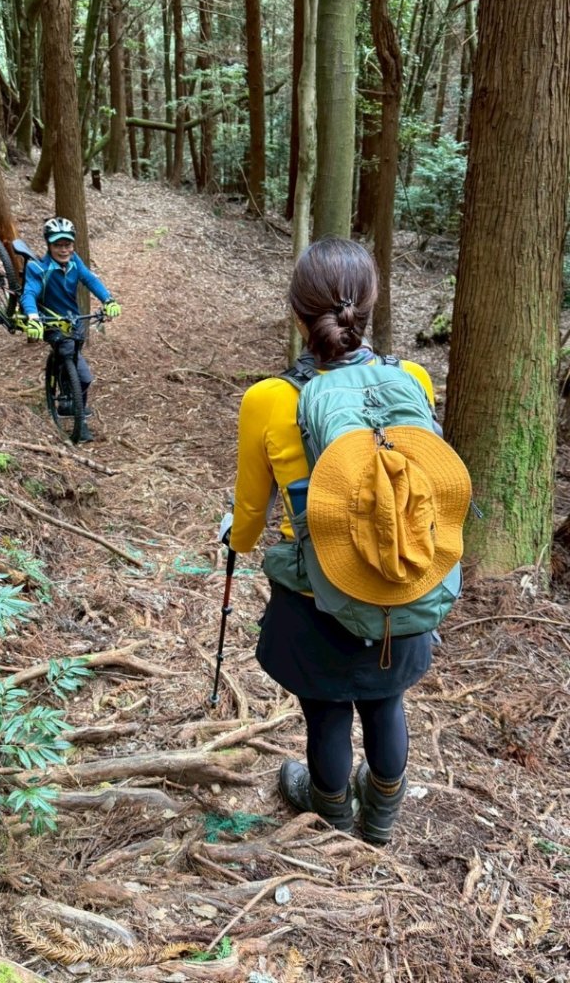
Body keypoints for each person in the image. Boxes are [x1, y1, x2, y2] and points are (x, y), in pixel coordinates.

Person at [227, 236, 438, 845]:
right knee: (385, 700)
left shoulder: (270, 400)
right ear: (367, 308)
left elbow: (247, 519)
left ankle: (331, 813)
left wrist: (236, 541)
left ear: (298, 312)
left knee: (326, 711)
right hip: (400, 584)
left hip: (313, 592)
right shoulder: (413, 380)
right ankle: (381, 821)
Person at [20, 217, 121, 442]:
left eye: (67, 244)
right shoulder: (39, 268)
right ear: (49, 245)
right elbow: (29, 293)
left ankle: (68, 395)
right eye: (58, 245)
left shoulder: (75, 262)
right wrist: (34, 318)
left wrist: (108, 300)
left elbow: (91, 281)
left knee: (73, 354)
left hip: (74, 322)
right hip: (50, 322)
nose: (64, 250)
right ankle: (79, 422)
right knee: (83, 377)